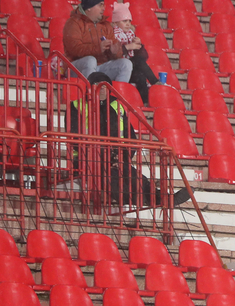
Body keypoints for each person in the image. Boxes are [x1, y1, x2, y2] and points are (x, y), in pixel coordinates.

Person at [69, 72, 191, 208]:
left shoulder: (117, 106)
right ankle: (134, 200)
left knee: (133, 174)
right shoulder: (76, 106)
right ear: (89, 87)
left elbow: (130, 138)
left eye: (105, 85)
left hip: (114, 157)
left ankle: (160, 198)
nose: (101, 88)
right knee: (109, 173)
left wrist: (123, 157)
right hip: (85, 159)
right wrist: (104, 155)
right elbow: (75, 138)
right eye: (97, 84)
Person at [63, 0, 133, 84]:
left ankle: (115, 97)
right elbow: (74, 49)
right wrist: (98, 48)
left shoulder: (106, 25)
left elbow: (117, 52)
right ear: (89, 8)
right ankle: (91, 96)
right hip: (75, 67)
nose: (104, 8)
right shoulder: (73, 23)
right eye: (100, 5)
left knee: (126, 64)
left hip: (100, 67)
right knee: (90, 60)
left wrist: (115, 51)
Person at [112, 3, 159, 105]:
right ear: (115, 23)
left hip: (131, 68)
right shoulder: (112, 35)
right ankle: (155, 82)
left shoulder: (131, 35)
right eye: (124, 21)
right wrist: (128, 47)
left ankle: (144, 103)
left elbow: (144, 57)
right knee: (137, 61)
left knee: (140, 76)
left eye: (129, 21)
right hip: (118, 67)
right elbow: (112, 54)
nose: (128, 24)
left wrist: (139, 46)